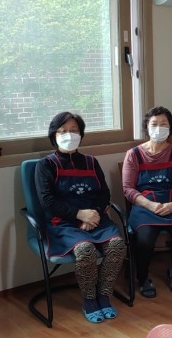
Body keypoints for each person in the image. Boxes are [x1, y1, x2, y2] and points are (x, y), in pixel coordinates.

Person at [35, 111, 127, 324]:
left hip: (96, 219)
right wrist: (78, 215)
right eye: (62, 131)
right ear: (54, 135)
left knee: (117, 246)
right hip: (63, 223)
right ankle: (89, 299)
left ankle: (104, 294)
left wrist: (93, 214)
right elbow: (47, 201)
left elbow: (104, 193)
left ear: (81, 134)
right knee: (85, 250)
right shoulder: (46, 165)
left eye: (73, 130)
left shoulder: (91, 162)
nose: (69, 135)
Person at [122, 106, 172, 298]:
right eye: (154, 124)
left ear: (171, 128)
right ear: (147, 126)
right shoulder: (133, 155)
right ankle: (143, 277)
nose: (159, 128)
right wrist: (150, 205)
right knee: (144, 239)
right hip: (144, 206)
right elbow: (128, 189)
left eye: (164, 124)